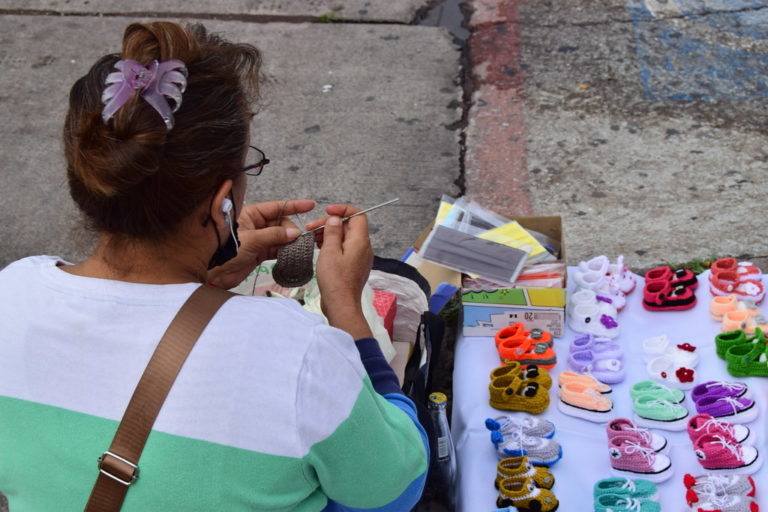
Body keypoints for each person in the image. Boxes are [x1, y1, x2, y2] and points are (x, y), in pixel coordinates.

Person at [0, 21, 428, 511]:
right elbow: (393, 489)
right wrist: (346, 310)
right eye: (249, 166)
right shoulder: (298, 353)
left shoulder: (9, 294)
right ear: (223, 201)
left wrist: (207, 280)